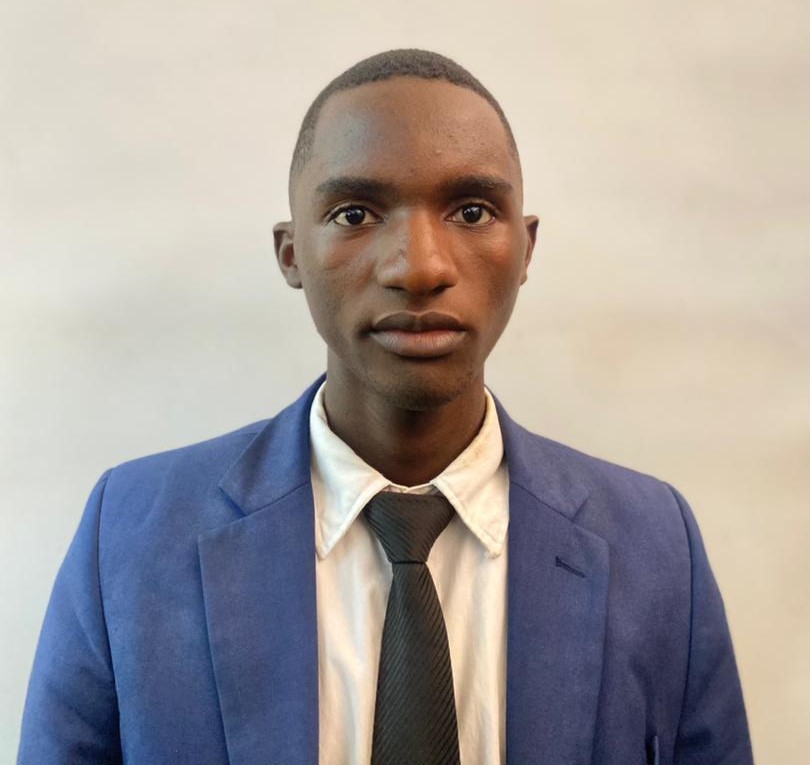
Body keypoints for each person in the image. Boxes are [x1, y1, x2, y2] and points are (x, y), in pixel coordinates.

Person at [18, 49, 753, 765]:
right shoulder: (132, 536)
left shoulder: (656, 546)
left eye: (471, 210)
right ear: (290, 254)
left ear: (525, 249)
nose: (419, 266)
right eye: (355, 213)